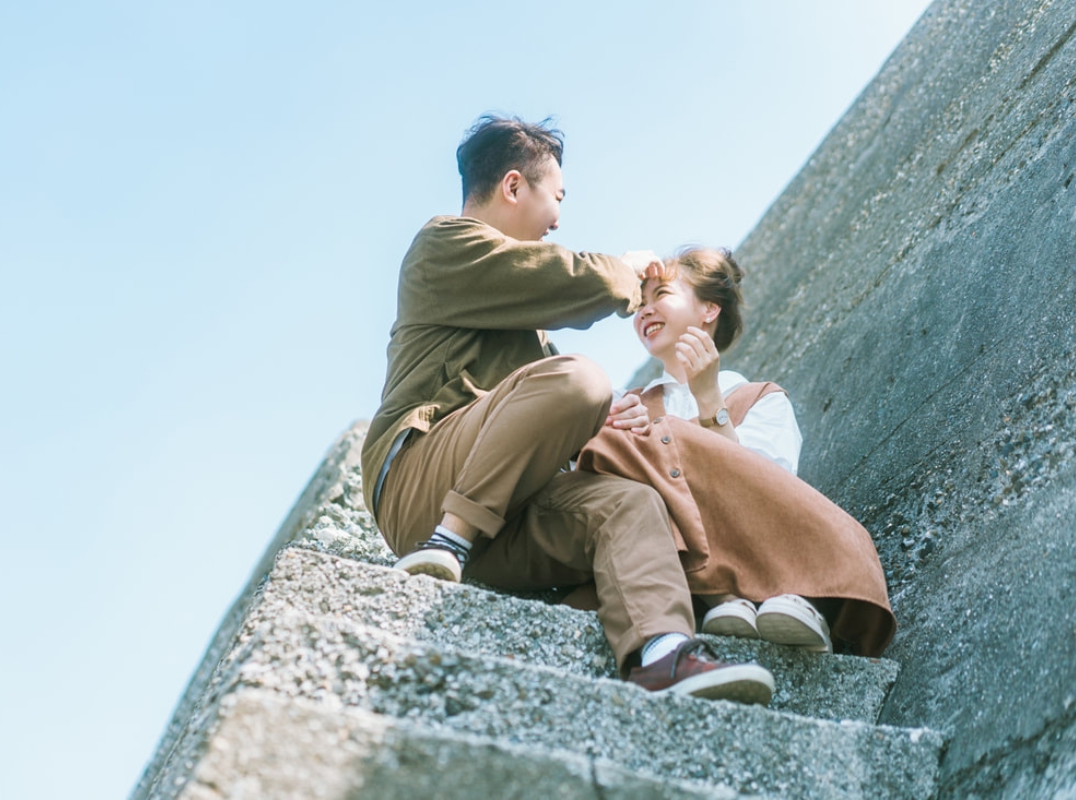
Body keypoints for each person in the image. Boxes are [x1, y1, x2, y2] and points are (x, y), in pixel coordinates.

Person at [364, 114, 776, 704]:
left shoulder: (523, 327)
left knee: (631, 503)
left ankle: (662, 654)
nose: (559, 216)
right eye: (555, 197)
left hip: (503, 513)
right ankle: (447, 542)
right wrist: (630, 272)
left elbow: (548, 413)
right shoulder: (443, 246)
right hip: (420, 488)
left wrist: (610, 422)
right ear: (513, 186)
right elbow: (565, 286)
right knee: (581, 378)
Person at [574, 247, 896, 657]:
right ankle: (729, 599)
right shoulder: (628, 402)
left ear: (709, 309)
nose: (644, 311)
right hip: (666, 558)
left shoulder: (760, 398)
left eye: (661, 295)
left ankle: (777, 597)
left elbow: (763, 493)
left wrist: (710, 401)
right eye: (640, 301)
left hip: (754, 541)